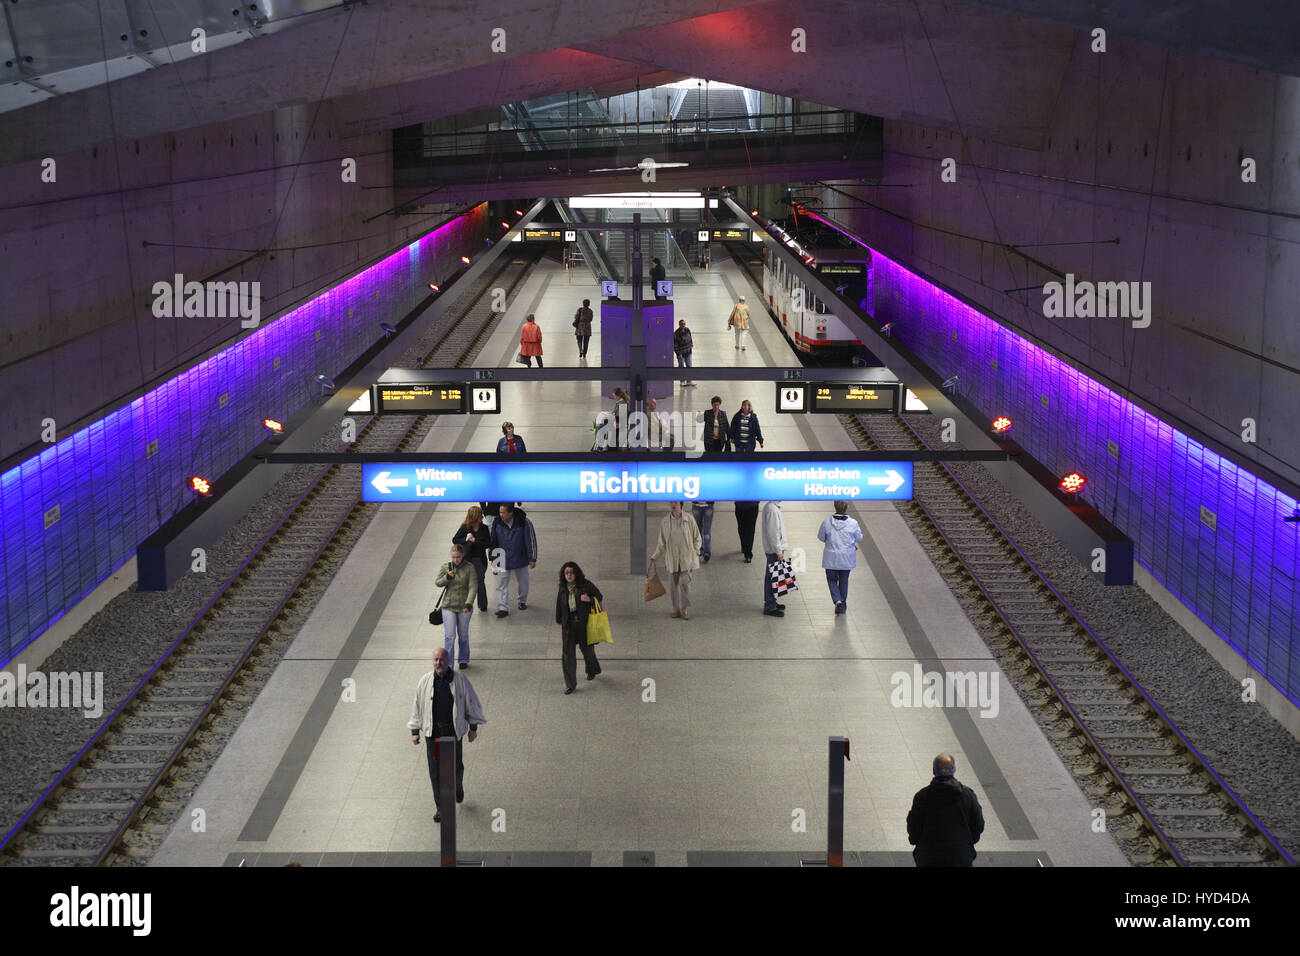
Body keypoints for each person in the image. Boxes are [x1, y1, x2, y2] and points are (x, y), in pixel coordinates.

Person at [408, 647, 487, 824]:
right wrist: (415, 730)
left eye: (442, 660)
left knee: (455, 768)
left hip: (452, 733)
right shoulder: (425, 681)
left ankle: (458, 787)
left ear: (448, 661)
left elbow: (470, 703)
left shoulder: (460, 680)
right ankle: (441, 808)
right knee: (436, 772)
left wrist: (473, 728)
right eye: (435, 660)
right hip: (434, 734)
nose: (438, 663)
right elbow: (417, 706)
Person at [906, 754, 985, 867]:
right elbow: (978, 824)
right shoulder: (968, 796)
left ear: (934, 771)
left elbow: (913, 826)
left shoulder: (922, 796)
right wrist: (967, 842)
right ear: (954, 770)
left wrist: (917, 842)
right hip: (960, 857)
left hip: (929, 857)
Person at [555, 561, 604, 694]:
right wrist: (559, 619)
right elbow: (559, 604)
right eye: (566, 573)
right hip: (569, 626)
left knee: (587, 651)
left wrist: (589, 599)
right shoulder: (563, 588)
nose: (569, 575)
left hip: (584, 624)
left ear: (576, 573)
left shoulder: (585, 585)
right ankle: (570, 684)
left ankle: (592, 669)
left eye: (571, 572)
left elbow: (599, 596)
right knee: (567, 655)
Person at [649, 501, 701, 619]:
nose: (673, 505)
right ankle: (675, 609)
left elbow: (697, 537)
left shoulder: (689, 519)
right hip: (672, 559)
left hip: (686, 558)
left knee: (685, 584)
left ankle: (684, 608)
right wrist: (655, 556)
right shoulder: (665, 522)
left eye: (676, 503)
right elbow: (661, 543)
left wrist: (696, 551)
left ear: (681, 504)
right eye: (671, 503)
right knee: (673, 586)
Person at [490, 504, 537, 617]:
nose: (501, 515)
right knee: (501, 584)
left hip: (520, 557)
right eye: (500, 512)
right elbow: (493, 542)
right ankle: (502, 608)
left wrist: (532, 558)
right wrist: (493, 561)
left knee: (523, 582)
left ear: (511, 513)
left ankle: (522, 601)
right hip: (501, 557)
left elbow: (531, 540)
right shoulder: (497, 522)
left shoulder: (524, 522)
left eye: (503, 513)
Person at [435, 544, 478, 668]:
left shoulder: (470, 568)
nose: (455, 560)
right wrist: (447, 577)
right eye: (453, 557)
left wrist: (469, 603)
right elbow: (438, 582)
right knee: (450, 636)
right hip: (448, 606)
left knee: (463, 635)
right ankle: (448, 665)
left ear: (462, 555)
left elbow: (473, 587)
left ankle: (463, 659)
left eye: (458, 557)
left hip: (464, 606)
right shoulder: (446, 567)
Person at [818, 500, 863, 615]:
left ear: (835, 507)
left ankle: (837, 600)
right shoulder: (853, 523)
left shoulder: (827, 522)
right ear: (846, 508)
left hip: (831, 558)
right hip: (846, 558)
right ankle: (842, 605)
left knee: (832, 580)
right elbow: (859, 538)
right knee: (843, 581)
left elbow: (821, 537)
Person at [453, 506, 491, 613]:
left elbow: (488, 543)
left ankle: (482, 604)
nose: (482, 516)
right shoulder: (465, 528)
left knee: (480, 581)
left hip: (479, 559)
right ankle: (463, 603)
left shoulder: (484, 528)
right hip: (467, 558)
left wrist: (475, 541)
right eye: (480, 515)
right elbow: (455, 539)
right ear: (474, 516)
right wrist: (465, 539)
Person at [761, 499, 787, 617]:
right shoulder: (772, 509)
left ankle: (772, 601)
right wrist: (778, 551)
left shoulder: (773, 507)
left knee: (774, 576)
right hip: (773, 550)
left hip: (774, 549)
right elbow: (773, 533)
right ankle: (770, 605)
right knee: (771, 577)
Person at [673, 318, 694, 386]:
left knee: (689, 367)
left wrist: (691, 346)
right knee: (681, 368)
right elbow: (675, 345)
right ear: (679, 325)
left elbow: (690, 338)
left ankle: (689, 381)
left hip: (688, 352)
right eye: (682, 324)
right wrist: (678, 354)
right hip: (681, 354)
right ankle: (682, 381)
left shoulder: (687, 330)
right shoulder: (676, 333)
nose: (683, 325)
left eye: (684, 324)